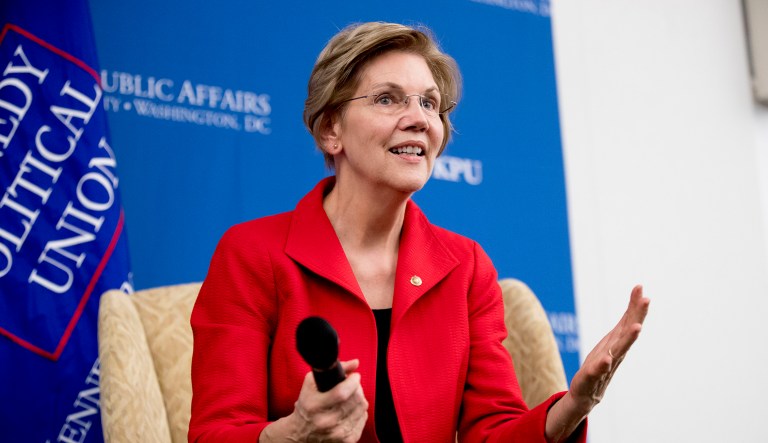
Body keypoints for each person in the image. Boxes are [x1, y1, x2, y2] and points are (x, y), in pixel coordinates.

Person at [188, 21, 650, 443]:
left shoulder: (466, 267)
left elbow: (490, 431)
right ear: (331, 129)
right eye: (388, 99)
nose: (419, 118)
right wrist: (293, 435)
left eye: (429, 103)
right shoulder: (251, 254)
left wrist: (572, 406)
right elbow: (216, 431)